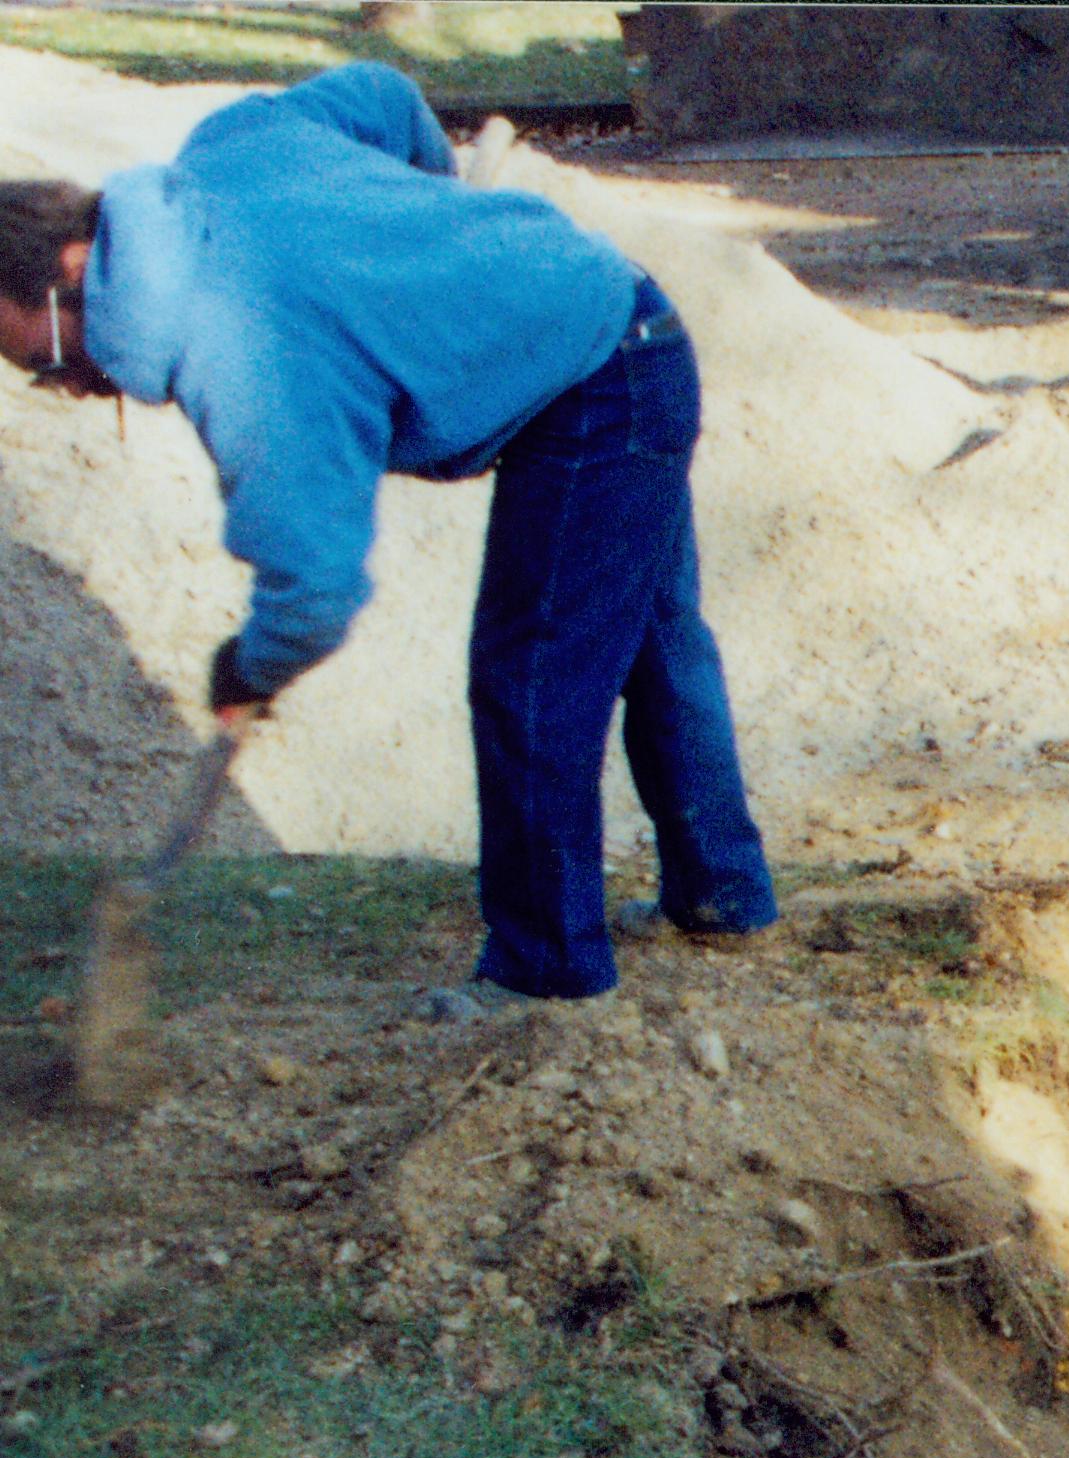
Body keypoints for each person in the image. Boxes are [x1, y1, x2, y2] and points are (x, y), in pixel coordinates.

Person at [0, 64, 776, 1006]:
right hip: (618, 323)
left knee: (531, 674)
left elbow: (317, 585)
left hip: (598, 387)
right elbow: (379, 96)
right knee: (654, 638)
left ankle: (544, 971)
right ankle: (722, 892)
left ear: (73, 271)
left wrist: (253, 665)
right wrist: (432, 229)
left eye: (47, 359)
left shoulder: (234, 356)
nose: (70, 389)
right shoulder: (227, 148)